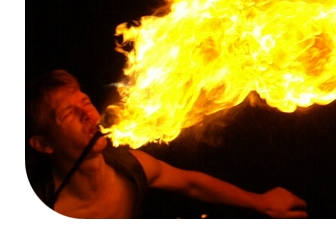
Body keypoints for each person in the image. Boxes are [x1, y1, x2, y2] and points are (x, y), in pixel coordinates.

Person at [26, 70, 308, 219]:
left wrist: (262, 203)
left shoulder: (132, 166)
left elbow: (192, 183)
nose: (87, 114)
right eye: (68, 114)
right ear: (43, 144)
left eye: (85, 102)